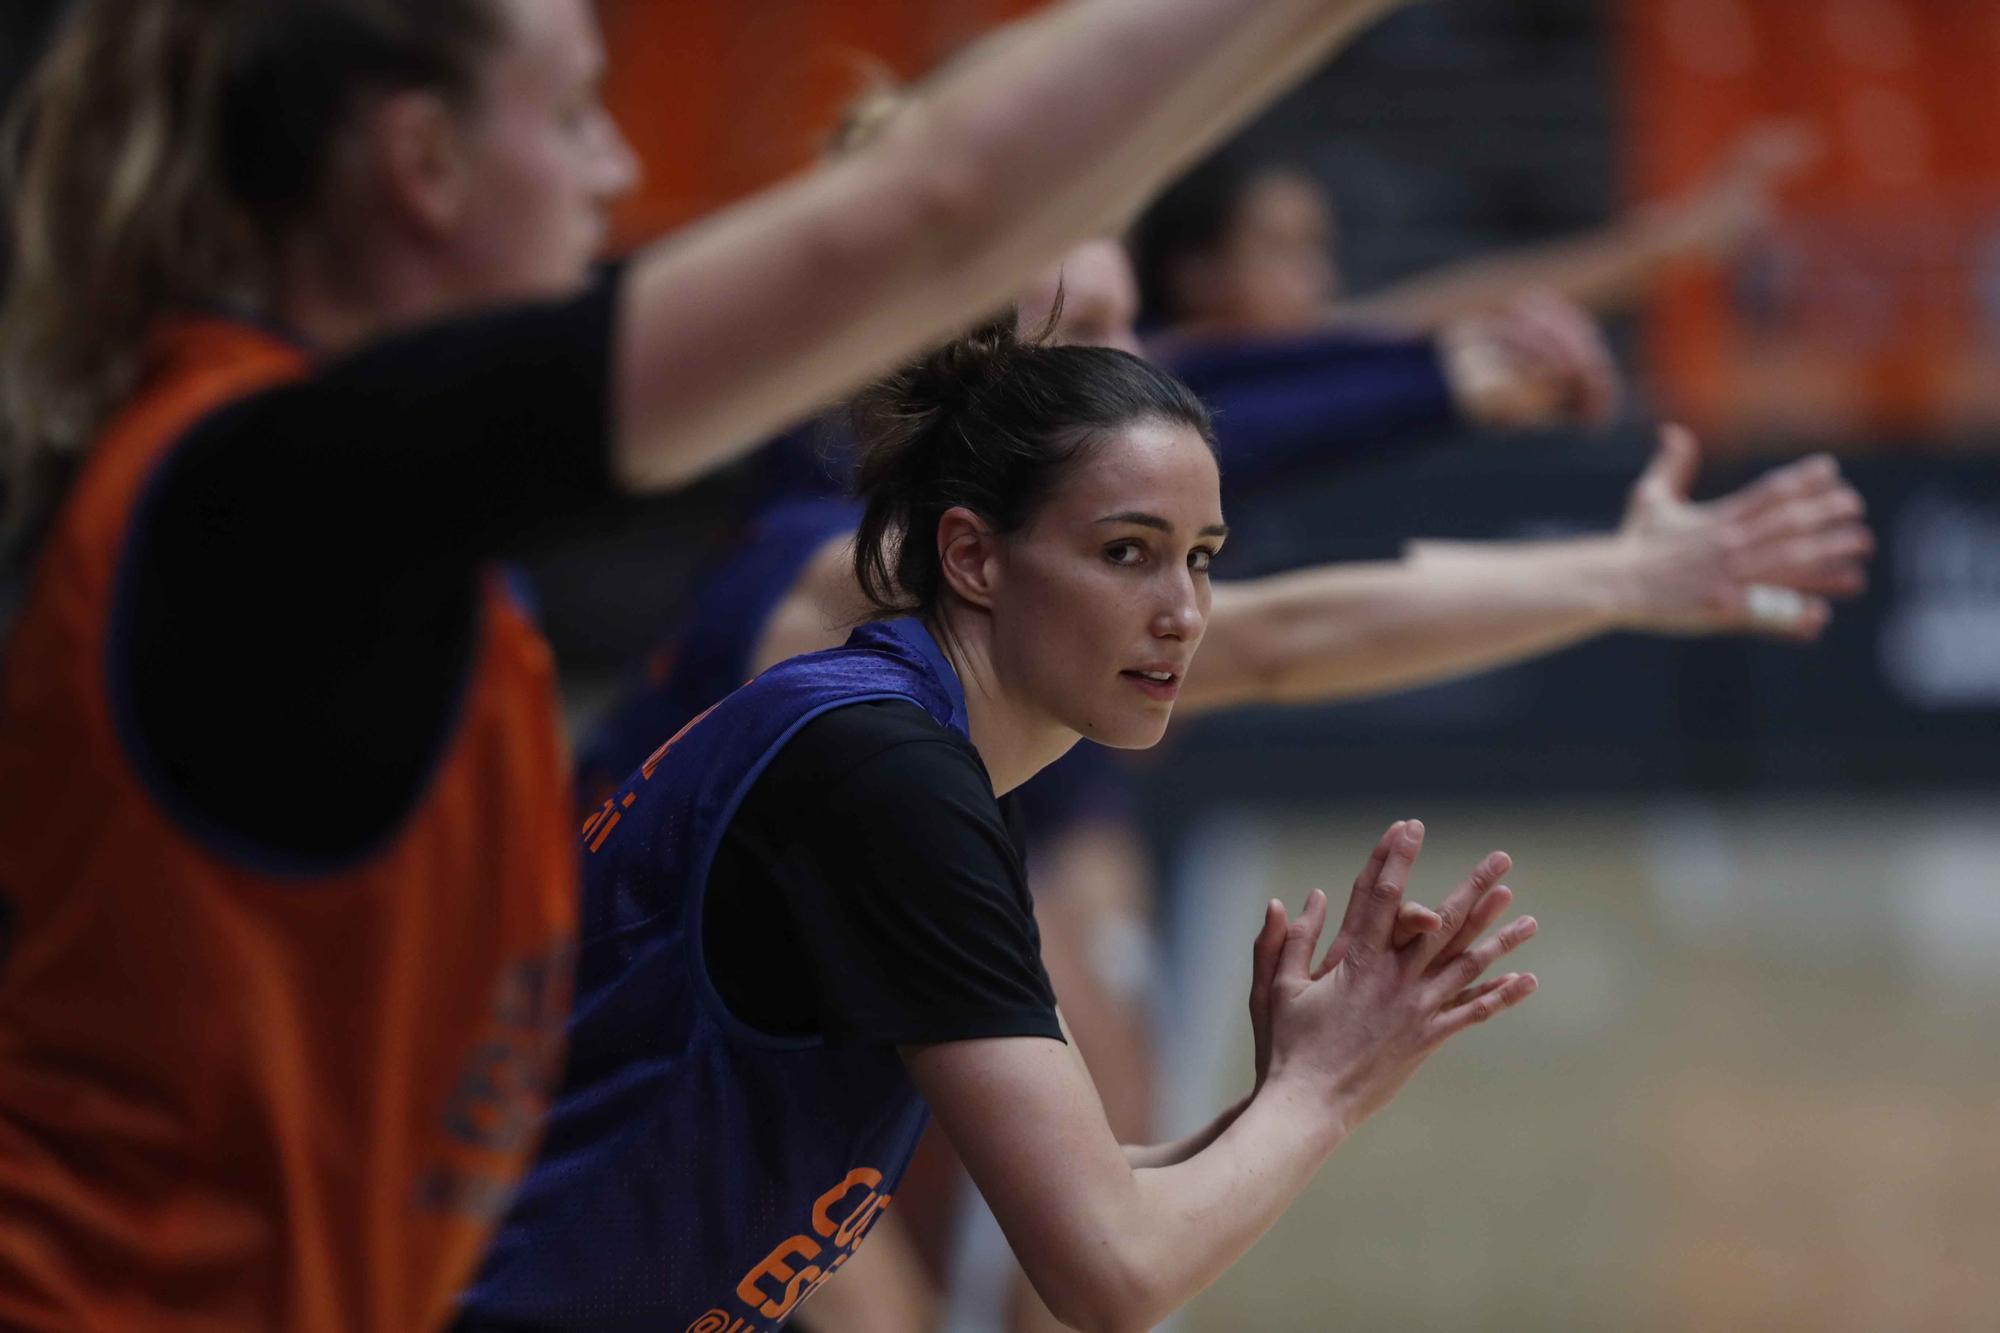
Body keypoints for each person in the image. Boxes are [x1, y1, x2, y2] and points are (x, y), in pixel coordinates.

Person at [0, 0, 1451, 1325]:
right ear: (423, 161)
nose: (621, 170)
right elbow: (934, 205)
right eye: (572, 112)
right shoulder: (283, 491)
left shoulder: (325, 515)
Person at [458, 317, 1541, 1333]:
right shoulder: (887, 781)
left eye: (1200, 557)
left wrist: (1295, 1087)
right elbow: (1109, 1271)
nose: (1183, 610)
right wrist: (1323, 1092)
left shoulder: (908, 755)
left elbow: (1091, 1183)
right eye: (1126, 551)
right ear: (972, 556)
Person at [1131, 124, 1817, 339]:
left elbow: (1462, 303)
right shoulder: (1153, 385)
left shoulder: (1293, 365)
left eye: (1319, 247)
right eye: (1284, 249)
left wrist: (1669, 245)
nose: (1322, 278)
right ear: (1197, 271)